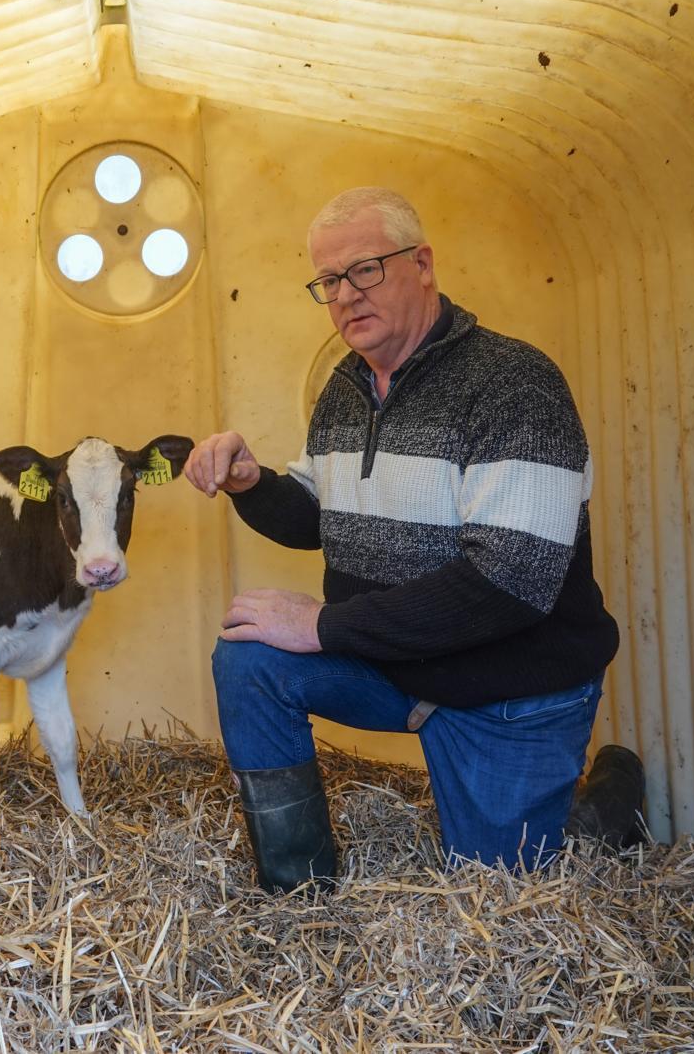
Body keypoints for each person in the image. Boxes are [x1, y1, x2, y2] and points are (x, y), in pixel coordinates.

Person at [184, 187, 643, 892]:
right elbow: (316, 513)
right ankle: (298, 894)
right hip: (398, 664)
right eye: (329, 280)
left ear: (423, 264)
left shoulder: (515, 384)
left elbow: (510, 583)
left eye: (366, 269)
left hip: (506, 691)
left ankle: (603, 805)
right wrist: (250, 482)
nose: (345, 295)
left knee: (500, 899)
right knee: (251, 656)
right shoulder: (347, 387)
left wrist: (326, 625)